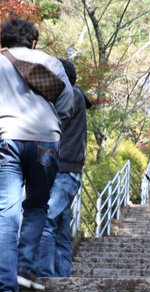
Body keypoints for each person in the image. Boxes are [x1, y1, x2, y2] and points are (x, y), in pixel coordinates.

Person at [0, 17, 74, 292]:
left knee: (6, 211)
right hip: (47, 141)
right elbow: (68, 102)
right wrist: (50, 125)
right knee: (37, 206)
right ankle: (26, 269)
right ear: (33, 41)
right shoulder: (50, 61)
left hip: (7, 137)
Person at [36, 59, 92, 278]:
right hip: (63, 170)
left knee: (47, 219)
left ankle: (45, 277)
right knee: (60, 226)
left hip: (65, 171)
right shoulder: (75, 96)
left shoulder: (72, 96)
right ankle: (62, 277)